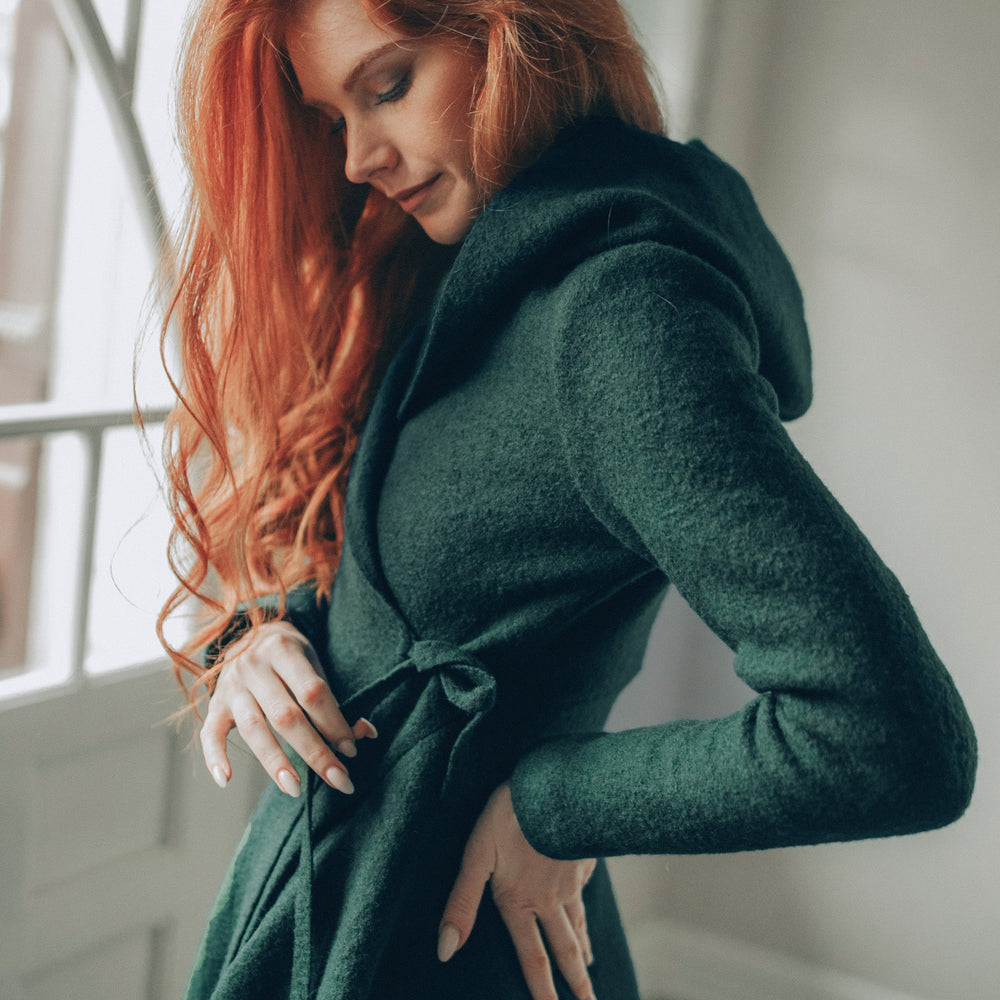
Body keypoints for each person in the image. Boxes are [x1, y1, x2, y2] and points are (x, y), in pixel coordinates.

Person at [156, 1, 977, 998]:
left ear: (514, 32)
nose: (358, 158)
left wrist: (554, 803)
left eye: (389, 86)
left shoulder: (621, 315)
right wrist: (262, 638)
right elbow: (401, 576)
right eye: (333, 119)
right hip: (340, 910)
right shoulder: (465, 263)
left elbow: (890, 736)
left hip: (444, 945)